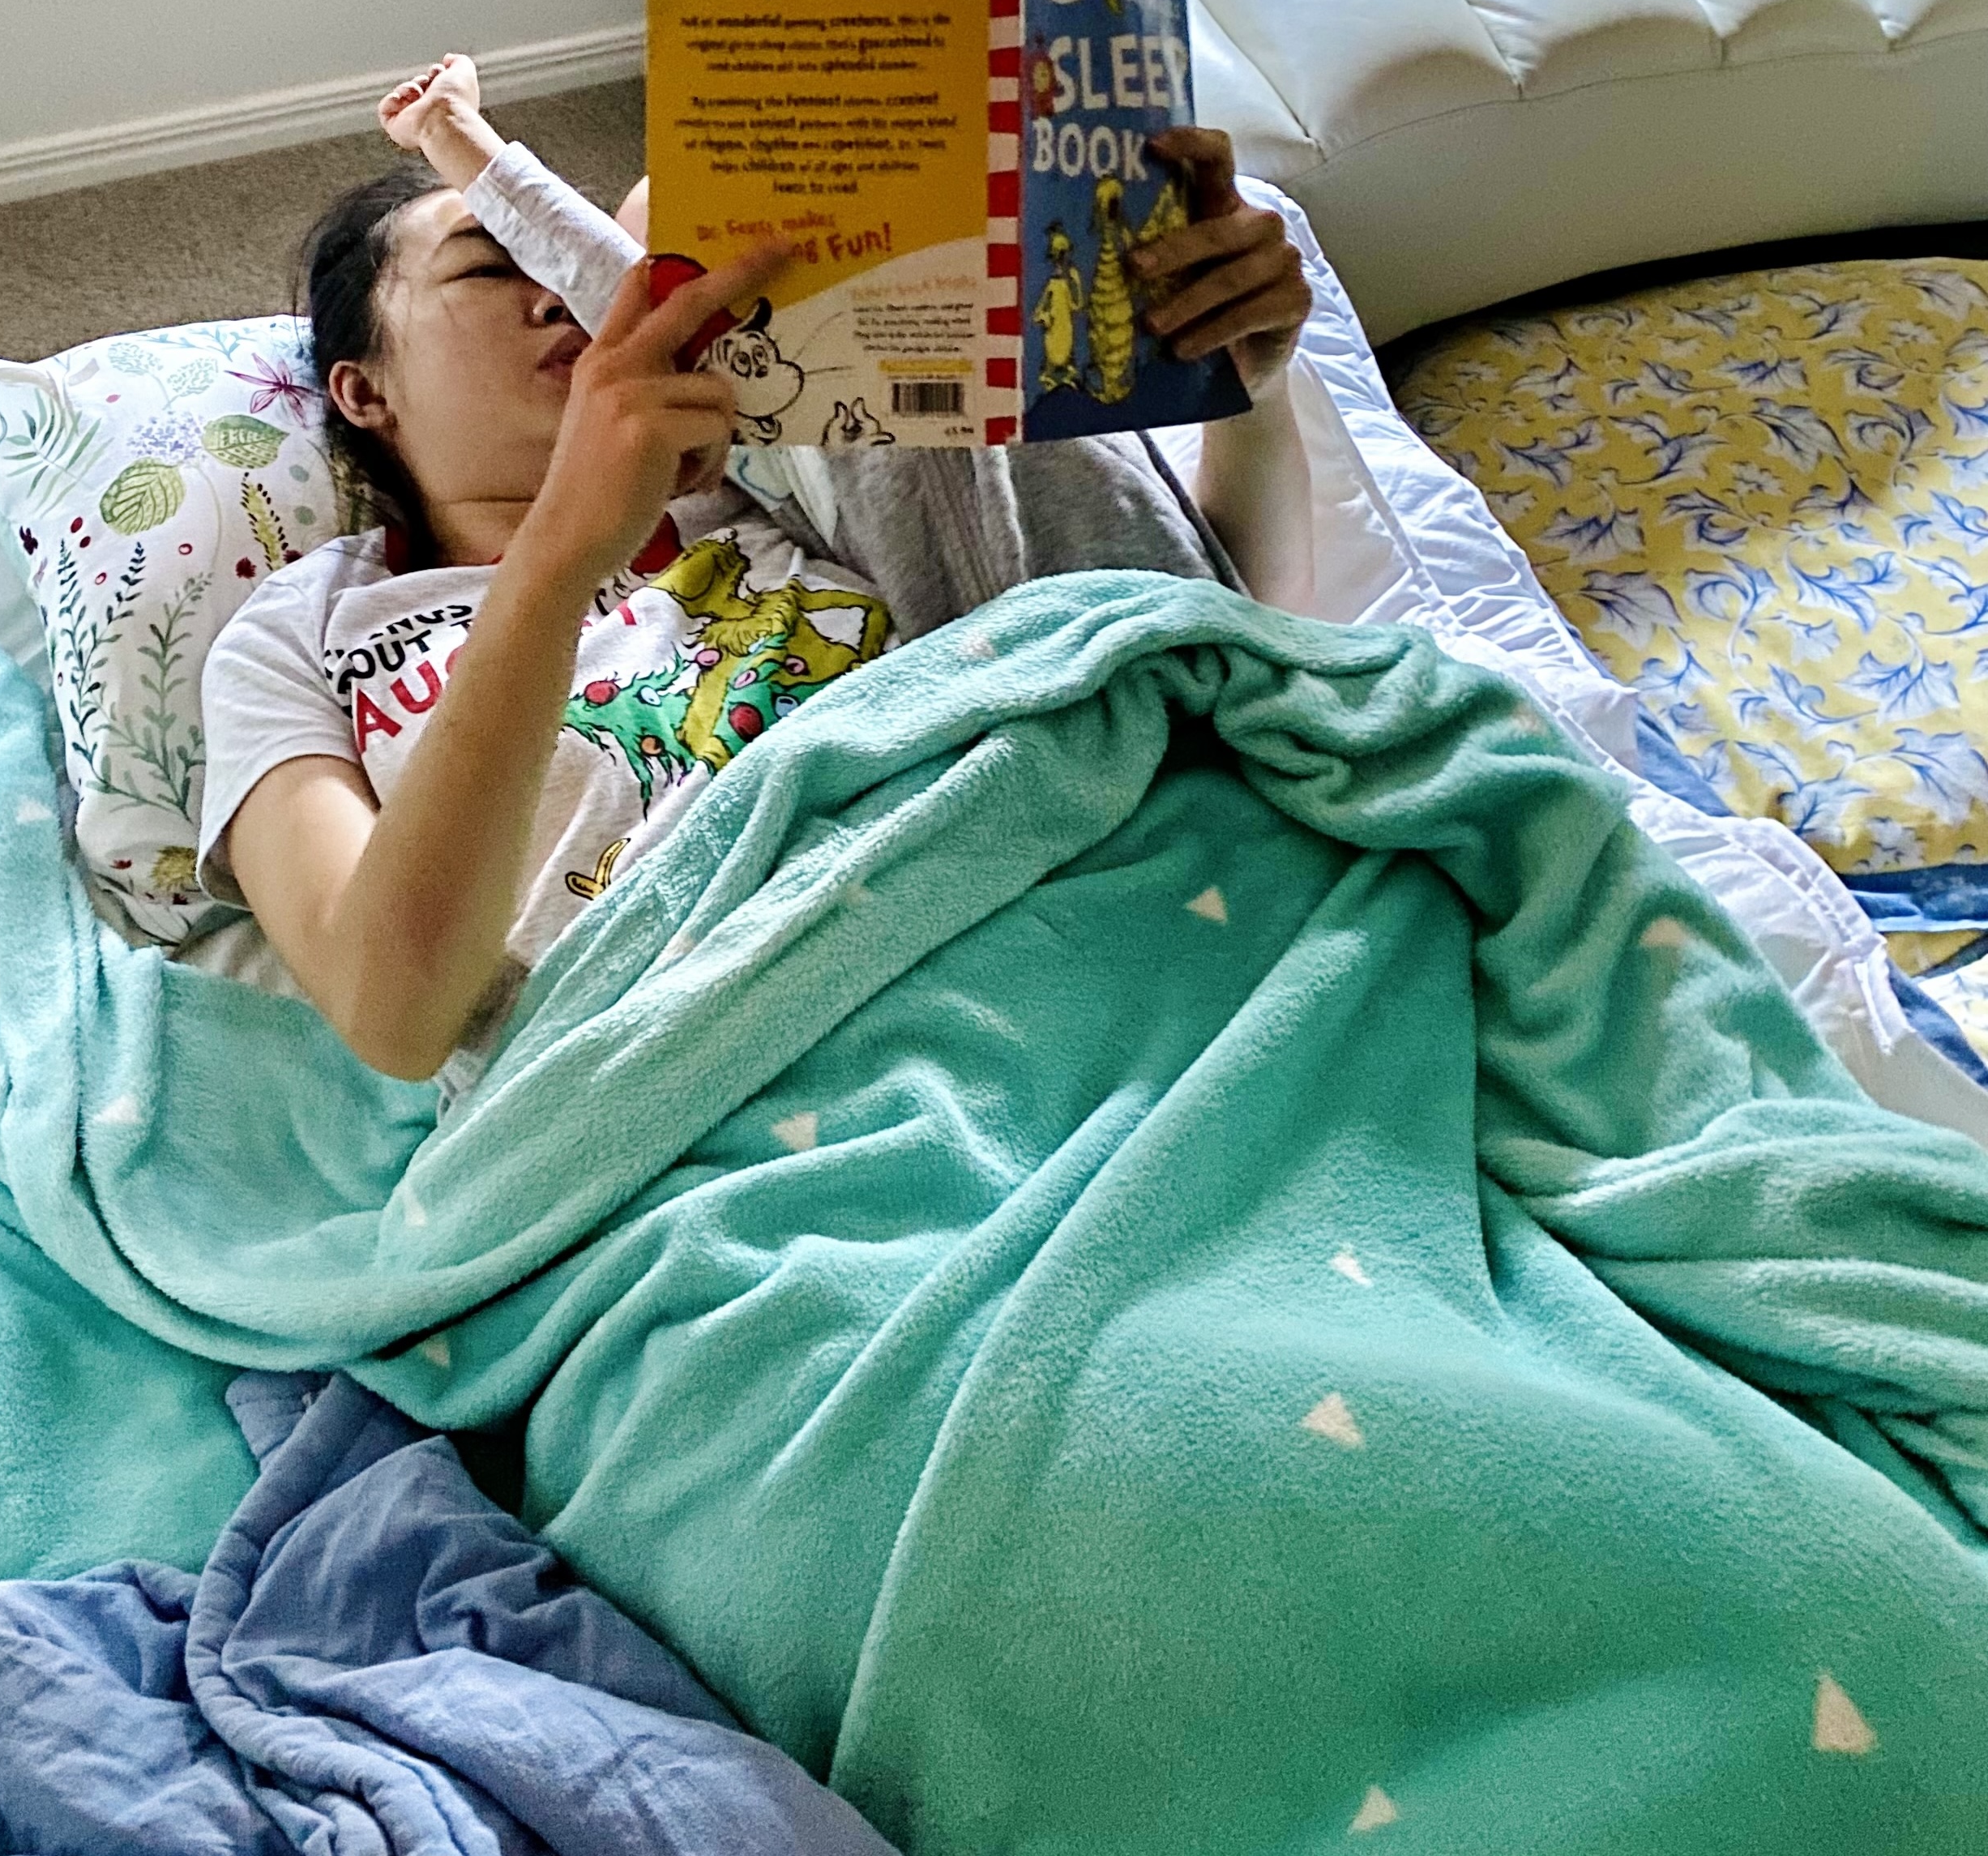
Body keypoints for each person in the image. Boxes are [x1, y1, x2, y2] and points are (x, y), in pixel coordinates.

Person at [197, 56, 1315, 1104]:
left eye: (561, 272)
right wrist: (558, 553)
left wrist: (1240, 387)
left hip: (1070, 946)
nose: (561, 298)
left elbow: (1171, 640)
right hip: (696, 1085)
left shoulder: (769, 481)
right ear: (362, 390)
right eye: (492, 268)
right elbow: (393, 1018)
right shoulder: (300, 635)